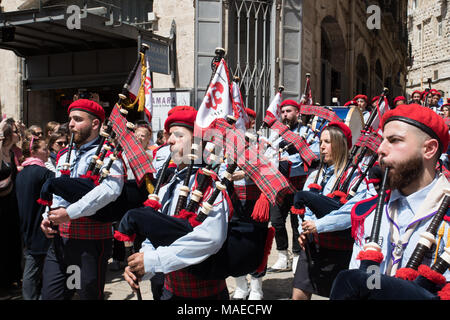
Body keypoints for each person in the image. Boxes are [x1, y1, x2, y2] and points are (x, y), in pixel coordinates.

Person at [330, 103, 450, 300]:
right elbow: (371, 283)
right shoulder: (370, 213)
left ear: (429, 149)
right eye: (383, 140)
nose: (381, 149)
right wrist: (374, 286)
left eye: (394, 140)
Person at [123, 106, 231, 300]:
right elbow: (154, 233)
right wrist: (142, 265)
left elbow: (210, 238)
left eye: (178, 135)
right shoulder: (166, 185)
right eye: (170, 135)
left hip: (204, 295)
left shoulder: (210, 185)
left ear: (197, 142)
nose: (170, 140)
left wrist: (153, 260)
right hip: (170, 290)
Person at [40, 99, 124, 300]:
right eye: (70, 119)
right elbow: (58, 191)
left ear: (95, 124)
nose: (70, 124)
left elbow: (111, 189)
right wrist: (48, 216)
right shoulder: (62, 155)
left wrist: (70, 213)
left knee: (86, 295)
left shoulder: (109, 155)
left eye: (78, 120)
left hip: (90, 241)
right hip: (62, 239)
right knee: (52, 295)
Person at [292, 122, 369, 300]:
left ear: (340, 144)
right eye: (320, 142)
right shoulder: (314, 175)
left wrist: (317, 225)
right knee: (298, 296)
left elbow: (349, 213)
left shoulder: (357, 177)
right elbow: (304, 207)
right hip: (313, 245)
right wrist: (303, 229)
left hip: (340, 249)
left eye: (327, 141)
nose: (322, 146)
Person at [267, 99, 319, 273]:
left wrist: (290, 160)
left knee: (297, 222)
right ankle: (283, 256)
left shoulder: (308, 133)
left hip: (298, 186)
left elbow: (313, 155)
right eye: (282, 112)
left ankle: (297, 256)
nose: (285, 115)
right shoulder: (276, 133)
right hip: (278, 185)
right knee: (276, 221)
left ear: (297, 112)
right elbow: (268, 153)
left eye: (288, 111)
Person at [16, 136, 54, 299]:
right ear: (33, 151)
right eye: (44, 149)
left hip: (26, 225)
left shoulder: (22, 173)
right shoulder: (45, 173)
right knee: (33, 267)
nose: (48, 152)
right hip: (40, 226)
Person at [0, 118, 23, 299]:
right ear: (7, 134)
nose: (19, 134)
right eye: (15, 131)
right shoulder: (0, 151)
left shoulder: (13, 153)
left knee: (12, 242)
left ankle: (11, 280)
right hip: (1, 205)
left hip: (12, 205)